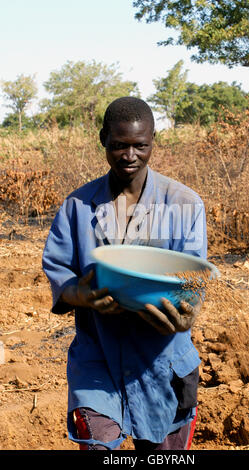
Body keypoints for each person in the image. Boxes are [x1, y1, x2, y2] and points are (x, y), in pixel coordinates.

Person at [42, 96, 207, 450]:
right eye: (118, 145)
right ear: (103, 138)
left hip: (163, 360)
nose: (129, 156)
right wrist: (79, 293)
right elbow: (58, 269)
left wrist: (184, 313)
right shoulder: (77, 207)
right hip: (98, 357)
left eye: (139, 146)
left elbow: (192, 281)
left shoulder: (184, 205)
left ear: (152, 142)